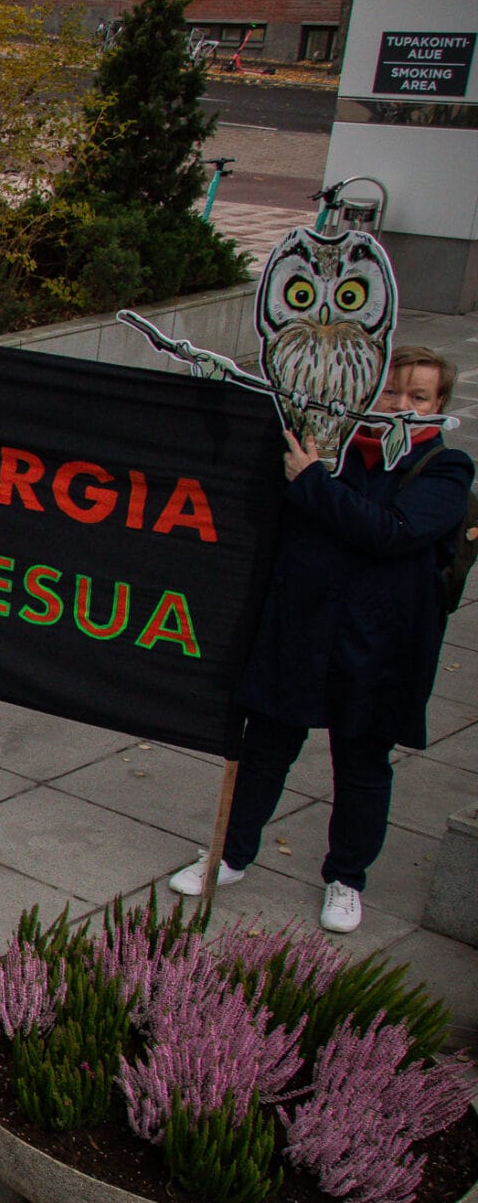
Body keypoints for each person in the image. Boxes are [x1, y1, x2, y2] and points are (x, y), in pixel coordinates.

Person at [168, 345, 474, 934]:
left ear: (439, 407)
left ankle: (346, 879)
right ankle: (229, 856)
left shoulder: (446, 468)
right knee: (265, 752)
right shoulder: (327, 449)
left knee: (360, 766)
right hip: (301, 633)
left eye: (418, 396)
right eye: (390, 392)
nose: (400, 405)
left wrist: (311, 483)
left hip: (380, 648)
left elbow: (391, 532)